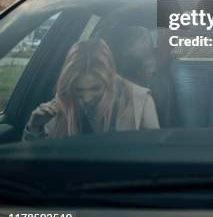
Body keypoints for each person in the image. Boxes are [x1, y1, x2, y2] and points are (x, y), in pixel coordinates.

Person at [23, 38, 159, 141]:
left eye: (95, 88)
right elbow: (35, 162)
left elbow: (154, 155)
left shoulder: (140, 101)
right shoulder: (64, 100)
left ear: (110, 78)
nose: (87, 98)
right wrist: (34, 127)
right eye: (79, 90)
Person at [100, 24, 175, 127]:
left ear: (145, 41)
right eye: (127, 46)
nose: (128, 50)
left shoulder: (170, 69)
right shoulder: (121, 76)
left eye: (131, 44)